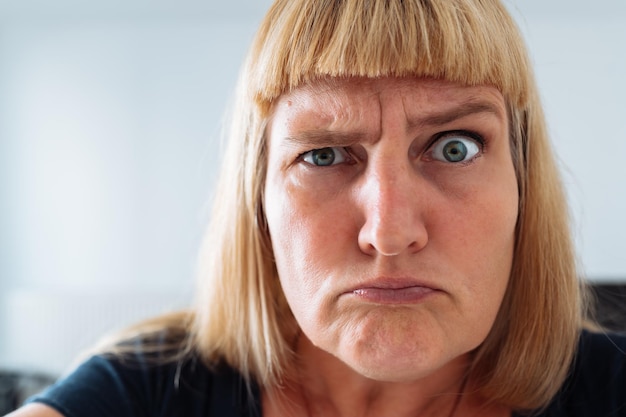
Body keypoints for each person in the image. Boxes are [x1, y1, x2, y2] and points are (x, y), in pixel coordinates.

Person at [8, 0, 626, 416]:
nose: (388, 232)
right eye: (325, 156)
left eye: (454, 147)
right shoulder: (140, 390)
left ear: (523, 184)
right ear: (258, 197)